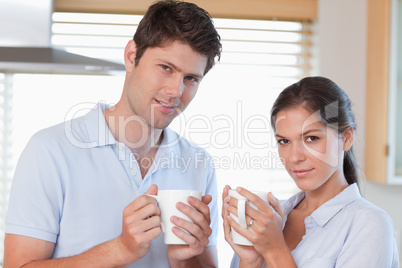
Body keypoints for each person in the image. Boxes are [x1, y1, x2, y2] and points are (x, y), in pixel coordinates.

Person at [4, 1, 222, 267]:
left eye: (191, 79)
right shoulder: (50, 151)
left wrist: (184, 260)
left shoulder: (199, 164)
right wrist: (121, 249)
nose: (176, 91)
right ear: (132, 56)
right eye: (166, 67)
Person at [222, 76, 399, 268]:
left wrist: (274, 250)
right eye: (284, 141)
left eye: (311, 138)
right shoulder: (269, 221)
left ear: (346, 138)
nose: (294, 157)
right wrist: (250, 261)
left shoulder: (370, 224)